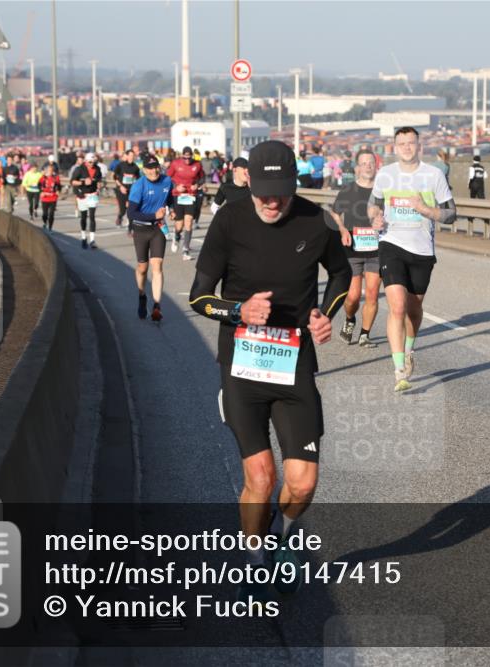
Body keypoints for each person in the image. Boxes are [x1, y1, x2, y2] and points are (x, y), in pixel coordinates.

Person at [188, 140, 351, 598]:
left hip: (295, 362)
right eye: (264, 191)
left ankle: (281, 536)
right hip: (242, 366)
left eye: (281, 190)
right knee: (261, 476)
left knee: (303, 483)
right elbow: (199, 296)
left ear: (294, 184)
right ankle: (255, 558)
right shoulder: (230, 219)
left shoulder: (315, 220)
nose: (273, 200)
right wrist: (238, 310)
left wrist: (325, 313)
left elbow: (341, 275)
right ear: (250, 183)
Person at [368, 126, 456, 392]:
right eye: (402, 143)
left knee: (414, 308)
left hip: (422, 251)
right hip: (391, 243)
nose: (406, 147)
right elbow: (373, 203)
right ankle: (399, 371)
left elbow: (451, 214)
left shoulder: (434, 175)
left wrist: (425, 210)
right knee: (396, 306)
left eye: (411, 143)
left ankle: (408, 350)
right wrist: (375, 217)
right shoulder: (385, 174)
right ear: (395, 147)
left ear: (420, 146)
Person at [333, 148, 382, 348]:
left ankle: (365, 335)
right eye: (364, 163)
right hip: (352, 248)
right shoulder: (348, 190)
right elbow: (335, 214)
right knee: (352, 296)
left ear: (376, 166)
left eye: (371, 163)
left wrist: (383, 222)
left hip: (376, 249)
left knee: (371, 293)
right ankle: (350, 319)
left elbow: (391, 215)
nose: (368, 166)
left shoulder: (383, 191)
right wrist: (343, 229)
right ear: (357, 168)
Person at [128, 155, 175, 321]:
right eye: (149, 168)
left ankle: (156, 305)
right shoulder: (138, 186)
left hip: (158, 229)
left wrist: (173, 208)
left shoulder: (167, 181)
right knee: (143, 267)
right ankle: (142, 295)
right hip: (140, 229)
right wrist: (153, 215)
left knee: (158, 265)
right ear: (143, 170)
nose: (153, 171)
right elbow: (131, 213)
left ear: (159, 167)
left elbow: (170, 198)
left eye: (155, 167)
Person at [165, 146, 206, 260]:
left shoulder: (197, 165)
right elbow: (167, 179)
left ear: (192, 156)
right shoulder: (175, 164)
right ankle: (176, 236)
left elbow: (202, 178)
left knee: (188, 223)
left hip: (191, 196)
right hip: (178, 196)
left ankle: (186, 250)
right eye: (185, 158)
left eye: (189, 158)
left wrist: (197, 185)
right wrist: (176, 187)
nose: (187, 160)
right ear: (182, 156)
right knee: (180, 224)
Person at [71, 153, 103, 249]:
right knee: (84, 217)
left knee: (92, 217)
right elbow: (72, 181)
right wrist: (83, 182)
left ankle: (92, 240)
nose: (92, 163)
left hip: (92, 195)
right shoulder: (79, 169)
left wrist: (99, 184)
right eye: (90, 162)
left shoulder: (97, 169)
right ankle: (84, 237)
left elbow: (99, 180)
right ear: (85, 161)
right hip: (82, 195)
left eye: (93, 162)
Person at [113, 149, 141, 227]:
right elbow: (115, 177)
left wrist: (136, 188)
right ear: (127, 156)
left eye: (133, 156)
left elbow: (138, 179)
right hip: (121, 190)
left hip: (131, 191)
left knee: (130, 207)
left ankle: (130, 224)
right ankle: (120, 217)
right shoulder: (121, 165)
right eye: (130, 155)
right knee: (122, 210)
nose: (132, 157)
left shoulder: (135, 167)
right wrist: (121, 186)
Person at [38, 163, 61, 232]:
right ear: (46, 171)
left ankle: (50, 227)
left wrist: (58, 191)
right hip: (45, 198)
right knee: (45, 214)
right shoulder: (43, 178)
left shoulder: (56, 178)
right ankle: (45, 223)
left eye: (51, 170)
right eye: (49, 170)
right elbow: (38, 185)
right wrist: (41, 192)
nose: (50, 172)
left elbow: (59, 186)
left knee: (51, 214)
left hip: (53, 197)